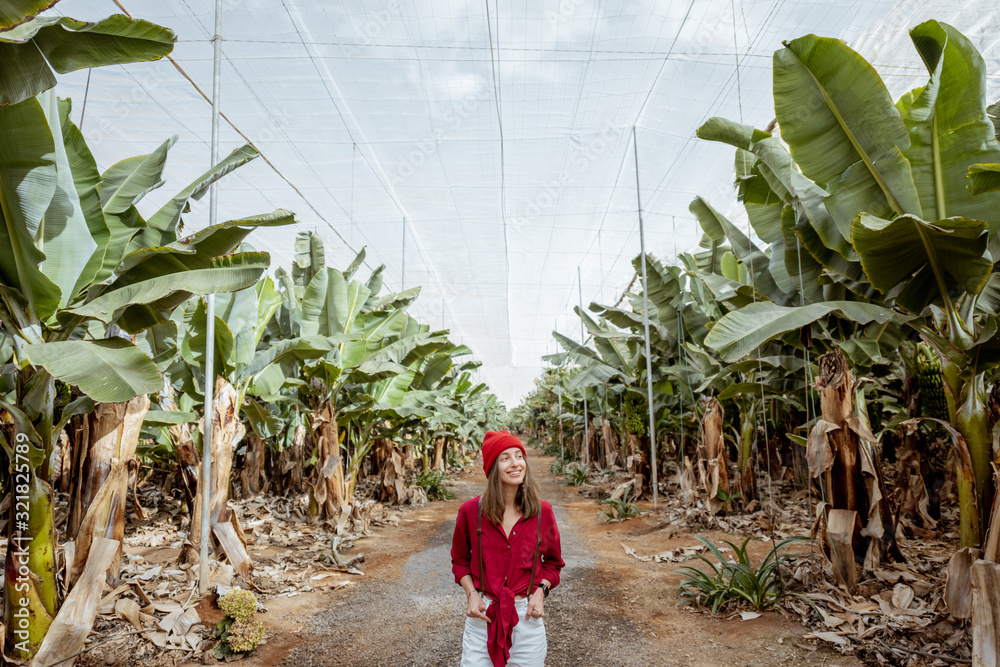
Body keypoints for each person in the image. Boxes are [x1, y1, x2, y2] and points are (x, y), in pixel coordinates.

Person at [451, 430, 565, 667]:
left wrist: (540, 591)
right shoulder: (470, 512)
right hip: (484, 616)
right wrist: (472, 594)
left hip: (526, 619)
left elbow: (553, 564)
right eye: (505, 458)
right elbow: (460, 561)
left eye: (519, 456)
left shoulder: (543, 511)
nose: (515, 463)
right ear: (493, 468)